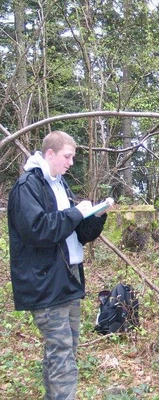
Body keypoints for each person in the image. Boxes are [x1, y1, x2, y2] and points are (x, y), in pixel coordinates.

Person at [8, 130, 112, 399]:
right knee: (62, 353)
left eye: (73, 157)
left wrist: (95, 216)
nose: (71, 163)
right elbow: (38, 231)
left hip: (69, 277)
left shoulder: (59, 184)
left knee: (65, 350)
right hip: (44, 280)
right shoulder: (27, 186)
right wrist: (74, 213)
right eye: (67, 156)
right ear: (50, 153)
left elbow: (78, 233)